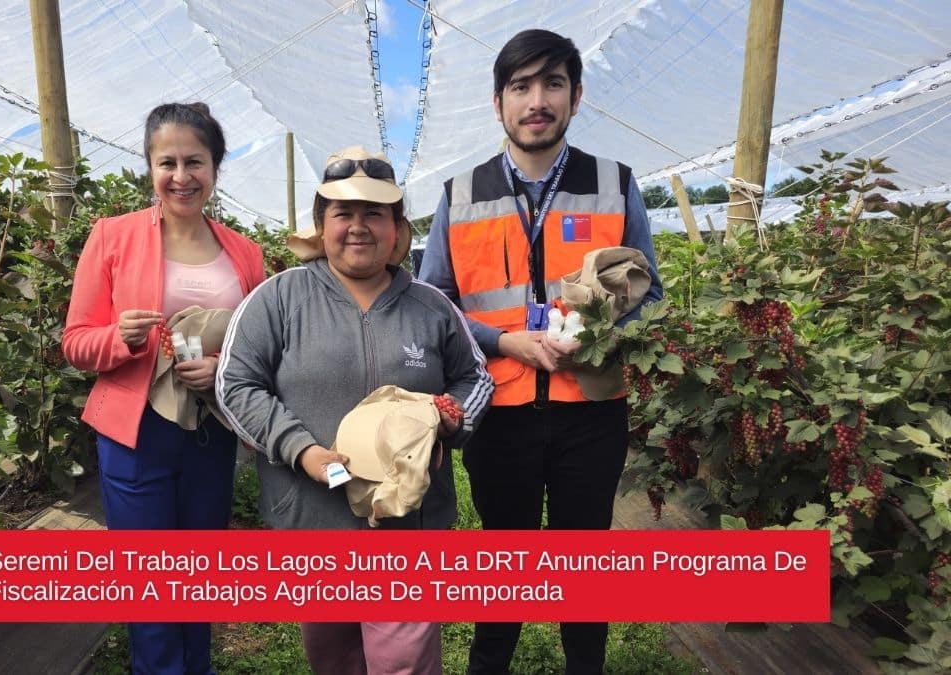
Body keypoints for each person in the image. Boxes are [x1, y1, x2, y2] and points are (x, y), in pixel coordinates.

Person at [418, 29, 664, 675]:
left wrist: (599, 332)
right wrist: (506, 340)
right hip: (501, 409)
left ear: (575, 96)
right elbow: (436, 303)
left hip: (592, 408)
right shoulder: (459, 194)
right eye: (521, 86)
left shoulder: (614, 183)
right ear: (497, 101)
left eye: (552, 83)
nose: (537, 99)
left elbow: (650, 290)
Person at [216, 146, 493, 675]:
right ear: (322, 226)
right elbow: (237, 384)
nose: (359, 227)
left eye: (376, 214)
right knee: (333, 654)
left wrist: (449, 419)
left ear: (397, 228)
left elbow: (475, 377)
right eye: (344, 214)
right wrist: (303, 451)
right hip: (313, 519)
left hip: (408, 520)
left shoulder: (431, 305)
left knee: (404, 657)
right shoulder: (278, 299)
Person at [62, 102, 265, 675]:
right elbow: (75, 341)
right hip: (136, 434)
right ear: (149, 167)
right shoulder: (113, 237)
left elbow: (264, 346)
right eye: (166, 162)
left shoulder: (244, 254)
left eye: (194, 161)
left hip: (211, 430)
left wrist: (224, 367)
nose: (181, 176)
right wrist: (119, 340)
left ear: (215, 167)